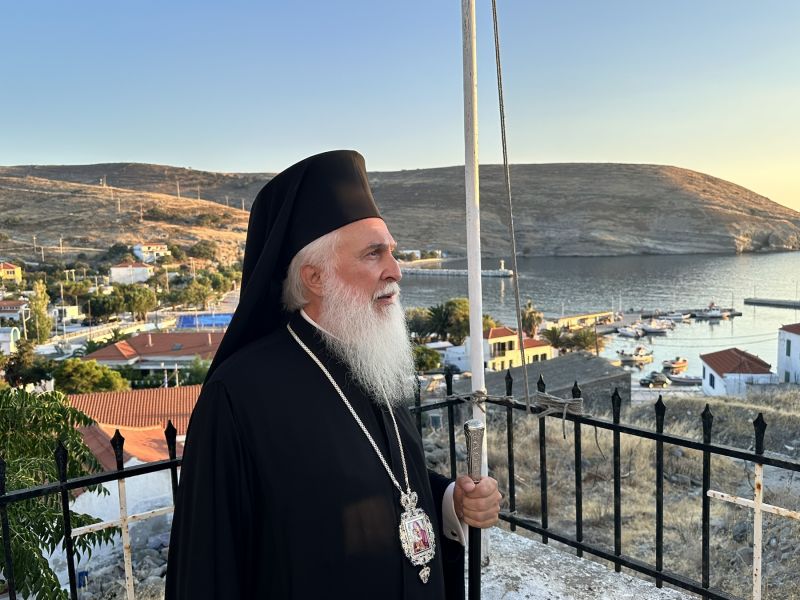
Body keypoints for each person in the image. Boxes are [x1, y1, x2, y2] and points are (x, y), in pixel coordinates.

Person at [165, 150, 500, 599]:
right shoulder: (238, 396)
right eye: (374, 254)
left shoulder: (373, 357)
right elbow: (209, 570)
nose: (396, 271)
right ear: (315, 277)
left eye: (392, 252)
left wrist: (448, 502)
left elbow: (386, 482)